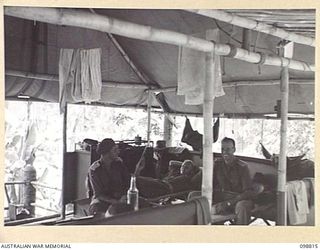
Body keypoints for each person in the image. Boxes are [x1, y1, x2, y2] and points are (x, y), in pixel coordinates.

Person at [212, 137, 257, 225]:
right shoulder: (218, 165)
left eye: (228, 149)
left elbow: (248, 192)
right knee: (196, 196)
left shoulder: (242, 167)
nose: (225, 152)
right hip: (224, 197)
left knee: (242, 206)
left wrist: (229, 203)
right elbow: (212, 184)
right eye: (222, 149)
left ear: (234, 150)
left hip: (240, 199)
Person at [87, 138, 130, 216]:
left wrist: (124, 196)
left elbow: (127, 182)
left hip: (119, 197)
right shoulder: (94, 169)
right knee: (95, 210)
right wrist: (116, 202)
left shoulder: (119, 164)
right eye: (115, 150)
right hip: (102, 200)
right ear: (107, 152)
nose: (118, 151)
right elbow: (98, 194)